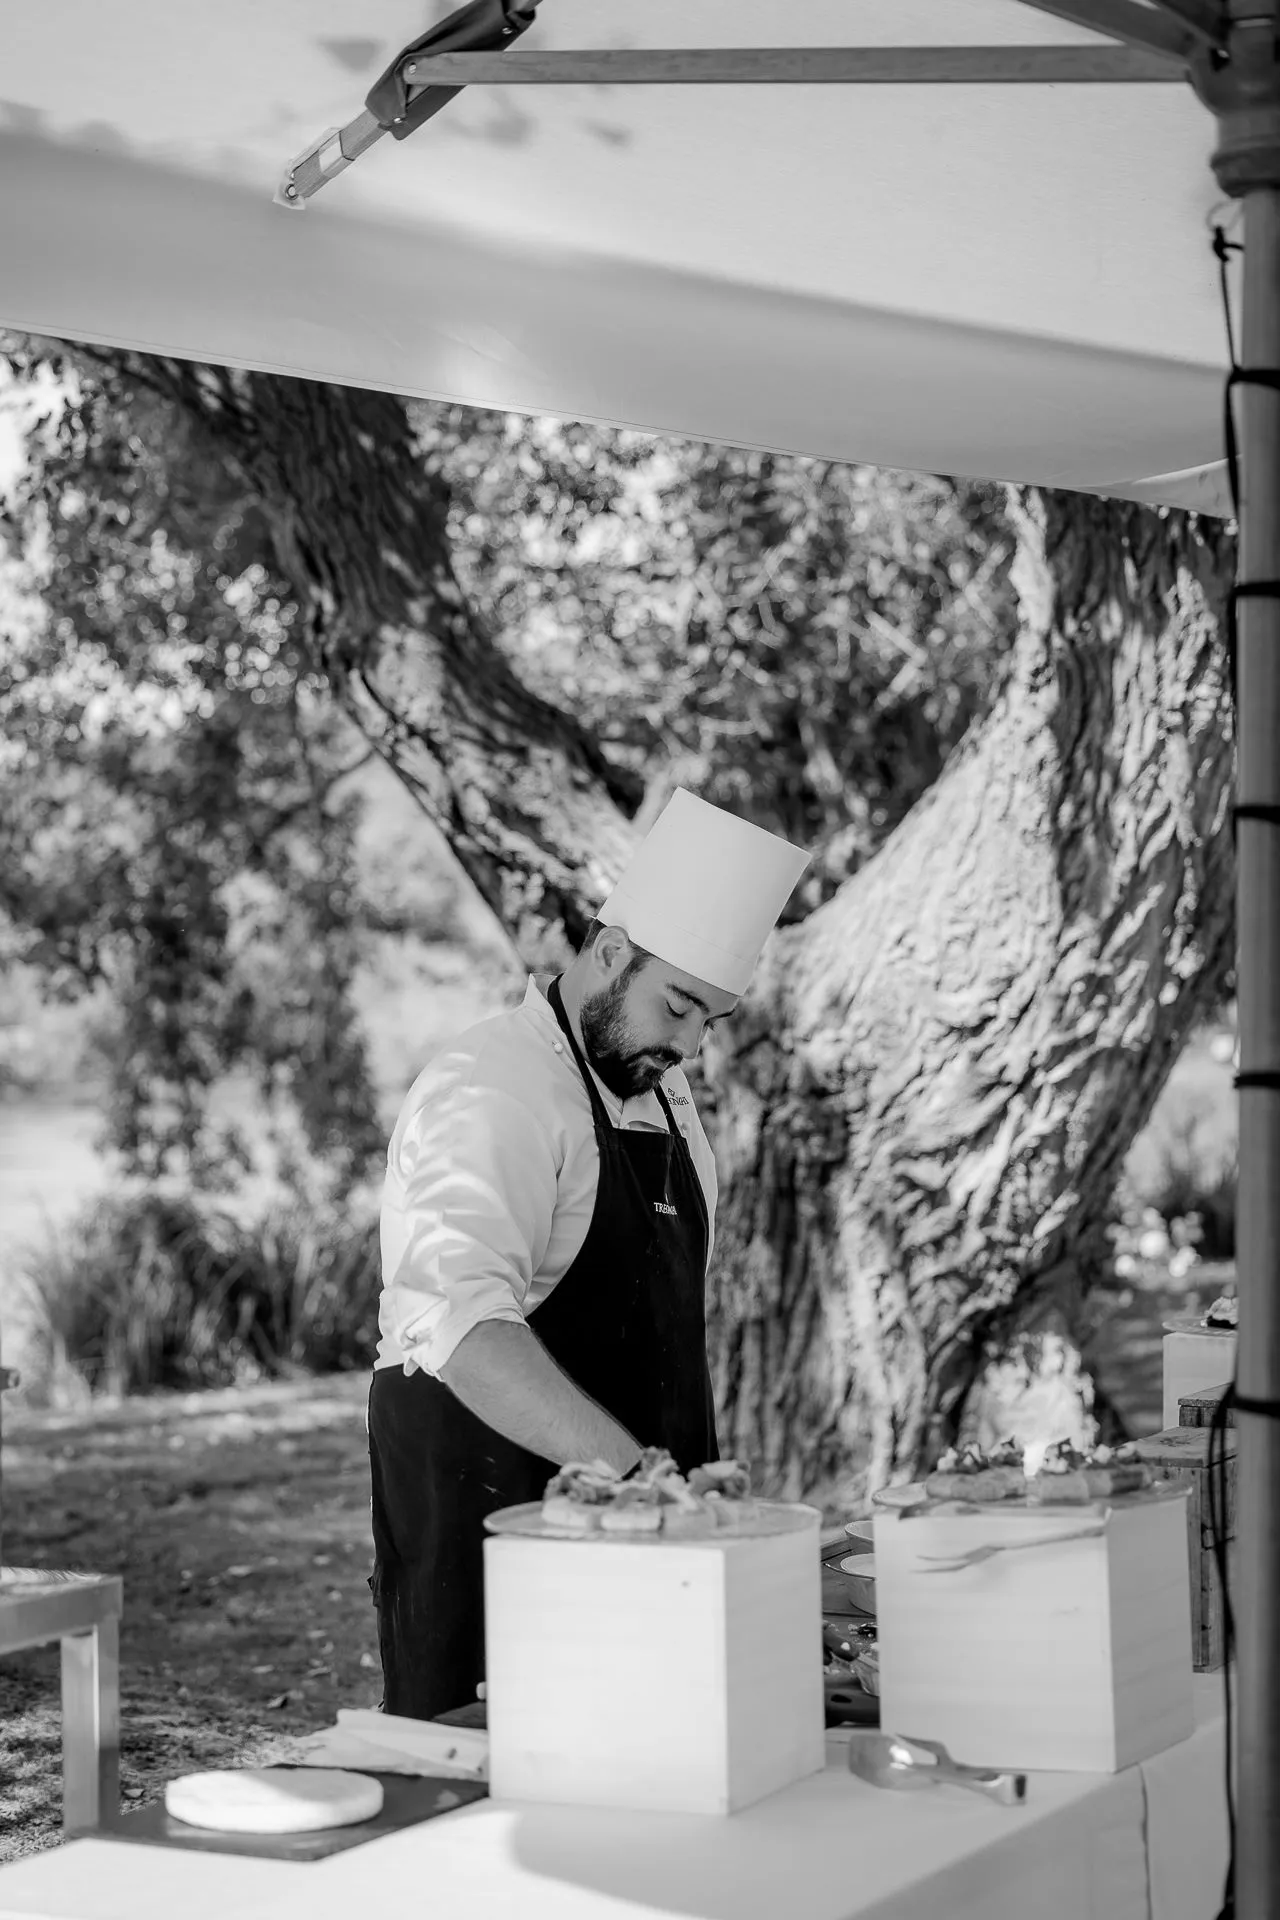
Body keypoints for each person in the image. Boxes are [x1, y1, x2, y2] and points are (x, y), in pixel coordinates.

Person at [368, 788, 809, 1719]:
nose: (689, 1047)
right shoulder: (493, 1088)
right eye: (678, 1007)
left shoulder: (664, 1097)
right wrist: (642, 1477)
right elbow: (461, 1328)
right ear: (610, 952)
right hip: (495, 1524)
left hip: (646, 1538)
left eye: (709, 1022)